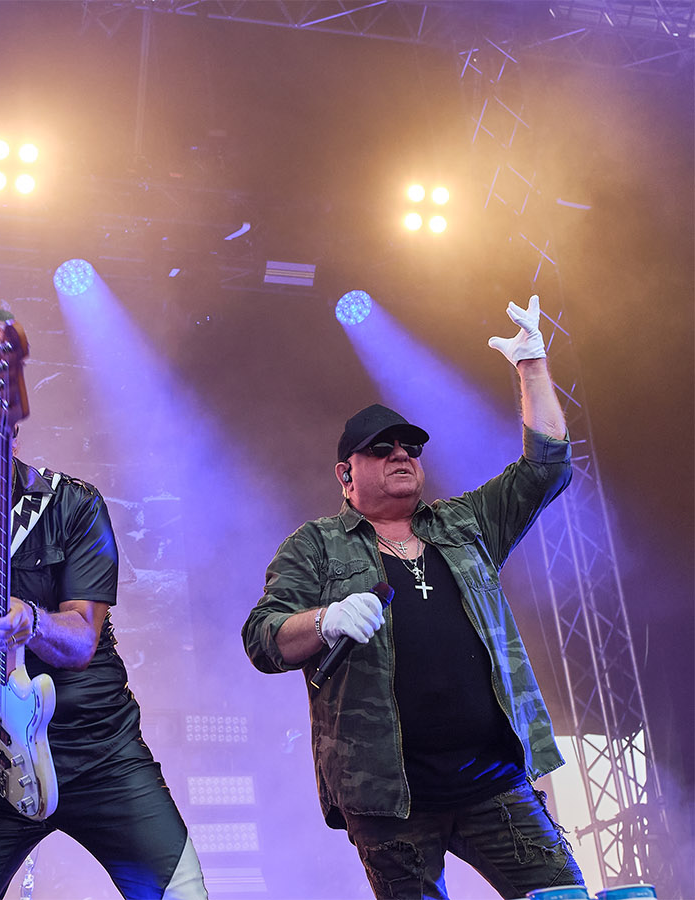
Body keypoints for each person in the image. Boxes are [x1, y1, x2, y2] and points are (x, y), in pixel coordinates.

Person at [242, 295, 586, 899]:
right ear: (346, 475)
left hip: (494, 781)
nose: (401, 454)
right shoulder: (315, 545)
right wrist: (324, 621)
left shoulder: (463, 522)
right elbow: (262, 638)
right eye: (381, 448)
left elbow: (547, 468)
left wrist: (532, 364)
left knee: (564, 895)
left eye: (409, 447)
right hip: (387, 799)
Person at [0, 361, 207, 900]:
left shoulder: (73, 505)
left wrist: (33, 620)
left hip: (98, 753)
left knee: (182, 893)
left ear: (10, 433)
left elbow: (83, 638)